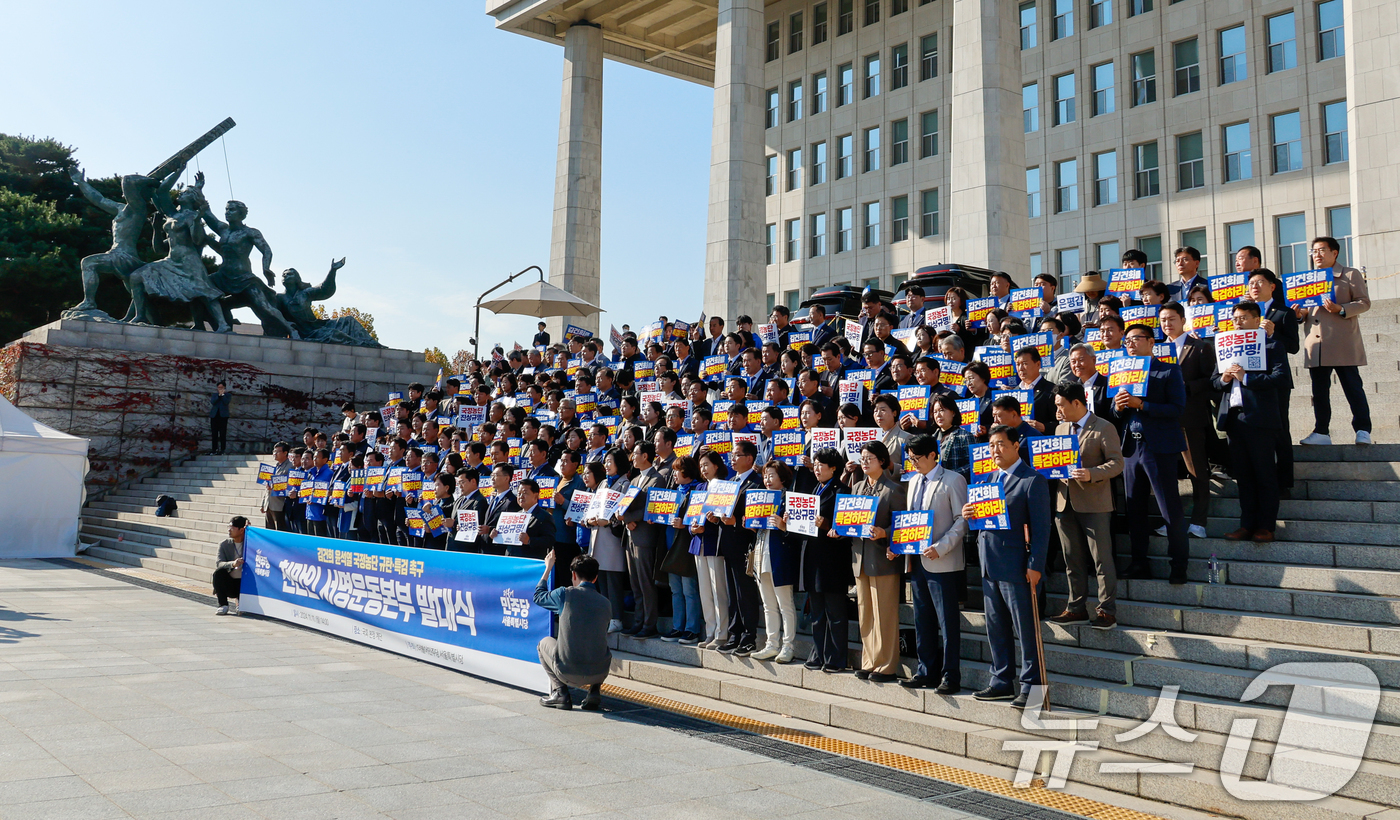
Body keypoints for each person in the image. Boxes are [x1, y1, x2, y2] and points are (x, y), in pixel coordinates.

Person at [962, 425, 1050, 709]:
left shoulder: (1032, 480)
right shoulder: (986, 479)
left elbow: (1042, 529)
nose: (995, 451)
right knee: (995, 627)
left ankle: (1032, 687)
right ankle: (1001, 681)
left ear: (1015, 446)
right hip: (989, 565)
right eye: (991, 446)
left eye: (1000, 445)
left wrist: (1036, 564)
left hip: (1017, 566)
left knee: (1026, 629)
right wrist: (968, 514)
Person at [1113, 324, 1189, 585]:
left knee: (1169, 507)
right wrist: (1120, 406)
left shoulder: (1168, 370)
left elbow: (1177, 408)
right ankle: (1139, 563)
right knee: (1134, 508)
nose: (1130, 344)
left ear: (1151, 342)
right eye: (1127, 341)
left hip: (1159, 447)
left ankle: (1178, 564)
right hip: (1130, 448)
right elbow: (1115, 414)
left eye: (1135, 339)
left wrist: (1142, 404)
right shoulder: (1120, 372)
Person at [1048, 383, 1124, 630]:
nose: (1057, 409)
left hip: (1095, 503)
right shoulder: (1059, 429)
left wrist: (1091, 473)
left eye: (1061, 404)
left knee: (1101, 559)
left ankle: (1106, 611)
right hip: (1064, 502)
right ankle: (1076, 607)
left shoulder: (1104, 427)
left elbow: (1117, 463)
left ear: (1077, 403)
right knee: (1072, 559)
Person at [1214, 301, 1289, 542]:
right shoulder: (1226, 346)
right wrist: (1224, 379)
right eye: (1235, 318)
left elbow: (1280, 377)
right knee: (1244, 476)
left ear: (1257, 320)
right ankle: (1246, 524)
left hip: (1260, 418)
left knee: (1264, 474)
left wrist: (1247, 378)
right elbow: (1214, 382)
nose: (1238, 322)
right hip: (1234, 419)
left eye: (1244, 318)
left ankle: (1266, 526)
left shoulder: (1272, 345)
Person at [900, 434, 968, 693]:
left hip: (944, 562)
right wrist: (900, 547)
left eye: (916, 458)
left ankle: (951, 675)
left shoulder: (953, 480)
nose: (913, 463)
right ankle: (925, 670)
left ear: (933, 455)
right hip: (917, 561)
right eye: (909, 458)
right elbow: (910, 520)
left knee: (948, 622)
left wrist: (941, 548)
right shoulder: (914, 481)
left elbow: (962, 520)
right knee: (922, 619)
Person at [1298, 237, 1373, 446]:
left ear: (1335, 253)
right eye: (1314, 251)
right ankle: (1321, 431)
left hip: (1342, 342)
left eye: (1322, 250)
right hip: (1316, 344)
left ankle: (1363, 429)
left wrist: (1340, 309)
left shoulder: (1350, 274)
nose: (1317, 255)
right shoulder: (1307, 279)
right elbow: (1305, 311)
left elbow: (1364, 302)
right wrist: (1297, 314)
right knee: (1319, 391)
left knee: (1353, 387)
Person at [844, 441, 906, 683]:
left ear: (882, 460)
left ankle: (887, 665)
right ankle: (869, 661)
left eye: (870, 457)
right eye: (862, 457)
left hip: (882, 558)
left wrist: (885, 533)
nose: (865, 461)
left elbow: (902, 524)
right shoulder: (857, 486)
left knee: (885, 613)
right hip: (859, 557)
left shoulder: (893, 489)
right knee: (865, 612)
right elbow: (848, 519)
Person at [1160, 302, 1216, 539]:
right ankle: (1171, 520)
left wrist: (1186, 387)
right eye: (1163, 320)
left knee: (1197, 471)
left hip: (1190, 418)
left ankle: (1199, 521)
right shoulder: (1155, 350)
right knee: (1167, 473)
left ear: (1182, 320)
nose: (1167, 324)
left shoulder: (1200, 347)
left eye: (1171, 319)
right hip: (1162, 420)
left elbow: (1211, 380)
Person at [534, 554, 612, 711]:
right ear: (596, 578)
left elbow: (538, 597)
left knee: (543, 643)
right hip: (599, 672)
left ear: (574, 575)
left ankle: (560, 693)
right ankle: (594, 692)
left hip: (567, 672)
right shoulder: (606, 603)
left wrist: (548, 568)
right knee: (596, 639)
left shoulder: (565, 594)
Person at [1247, 269, 1300, 493]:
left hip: (1275, 379)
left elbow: (1294, 347)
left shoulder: (1284, 313)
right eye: (1251, 284)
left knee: (1280, 430)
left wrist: (1273, 333)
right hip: (1248, 379)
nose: (1255, 287)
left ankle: (1285, 481)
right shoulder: (1241, 313)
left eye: (1260, 282)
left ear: (1272, 286)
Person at [802, 448, 852, 672]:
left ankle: (836, 658)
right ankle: (818, 653)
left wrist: (827, 525)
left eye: (821, 464)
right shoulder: (814, 489)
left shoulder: (843, 491)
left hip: (833, 560)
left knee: (835, 612)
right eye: (815, 464)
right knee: (817, 611)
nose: (817, 468)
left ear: (834, 467)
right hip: (814, 557)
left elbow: (846, 527)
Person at [714, 440, 764, 655]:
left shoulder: (756, 484)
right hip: (728, 544)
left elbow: (755, 518)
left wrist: (735, 521)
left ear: (749, 459)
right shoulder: (729, 482)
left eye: (737, 455)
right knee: (733, 593)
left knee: (746, 593)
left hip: (745, 544)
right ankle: (735, 634)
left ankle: (748, 637)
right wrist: (714, 516)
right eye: (732, 456)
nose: (732, 459)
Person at [752, 461, 801, 662]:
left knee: (785, 604)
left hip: (781, 556)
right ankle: (772, 643)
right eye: (765, 476)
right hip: (762, 554)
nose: (767, 480)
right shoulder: (761, 498)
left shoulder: (790, 499)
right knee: (768, 604)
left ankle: (788, 646)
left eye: (771, 476)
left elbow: (799, 533)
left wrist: (784, 527)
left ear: (782, 477)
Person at [619, 442, 666, 638]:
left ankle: (649, 623)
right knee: (635, 583)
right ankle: (639, 621)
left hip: (645, 536)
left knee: (646, 583)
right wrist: (624, 520)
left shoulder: (657, 479)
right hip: (630, 536)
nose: (632, 458)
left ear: (645, 456)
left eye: (636, 454)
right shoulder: (635, 479)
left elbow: (651, 507)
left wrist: (629, 518)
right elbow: (624, 506)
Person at [213, 516, 248, 616]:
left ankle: (241, 604)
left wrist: (250, 530)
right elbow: (219, 563)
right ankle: (223, 605)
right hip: (230, 582)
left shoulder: (249, 544)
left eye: (232, 527)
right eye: (228, 526)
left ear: (241, 530)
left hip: (244, 583)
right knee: (218, 573)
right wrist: (233, 564)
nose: (229, 530)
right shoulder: (224, 544)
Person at [262, 441, 292, 531]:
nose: (274, 454)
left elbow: (290, 485)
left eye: (277, 451)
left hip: (279, 504)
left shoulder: (290, 466)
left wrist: (275, 487)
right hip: (269, 504)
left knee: (280, 529)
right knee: (269, 529)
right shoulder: (275, 467)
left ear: (285, 453)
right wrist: (263, 503)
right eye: (274, 451)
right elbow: (267, 486)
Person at [209, 382, 232, 455]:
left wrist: (222, 395)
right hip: (215, 415)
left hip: (223, 416)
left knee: (222, 433)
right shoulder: (214, 395)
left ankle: (222, 449)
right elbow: (213, 402)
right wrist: (219, 396)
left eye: (221, 388)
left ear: (224, 388)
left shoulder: (228, 395)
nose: (220, 389)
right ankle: (214, 449)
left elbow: (226, 402)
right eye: (219, 388)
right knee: (214, 433)